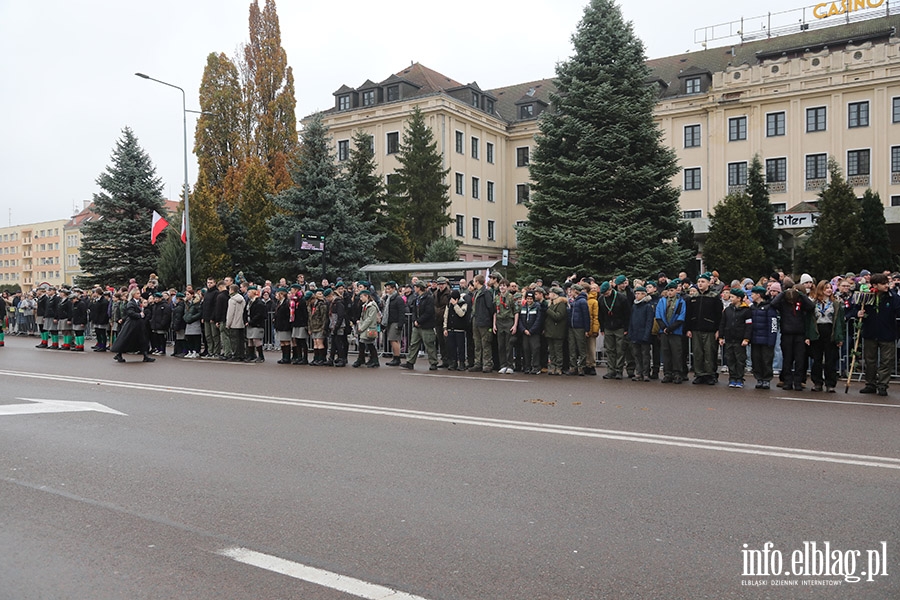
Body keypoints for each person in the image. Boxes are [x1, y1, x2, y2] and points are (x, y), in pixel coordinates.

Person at [855, 273, 900, 396]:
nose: (887, 286)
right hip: (870, 333)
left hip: (887, 333)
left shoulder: (892, 297)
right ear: (875, 285)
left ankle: (882, 385)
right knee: (870, 360)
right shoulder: (867, 296)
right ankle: (870, 384)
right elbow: (855, 307)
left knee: (887, 361)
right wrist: (858, 313)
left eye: (887, 283)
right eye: (883, 284)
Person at [770, 278, 814, 392]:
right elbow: (773, 303)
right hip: (787, 333)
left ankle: (798, 382)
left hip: (799, 334)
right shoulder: (783, 304)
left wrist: (800, 294)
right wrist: (783, 293)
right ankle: (787, 381)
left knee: (799, 360)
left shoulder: (801, 302)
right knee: (787, 359)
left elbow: (811, 306)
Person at [686, 272, 723, 385]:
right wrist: (688, 329)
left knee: (709, 353)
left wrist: (718, 330)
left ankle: (710, 374)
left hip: (710, 329)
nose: (700, 284)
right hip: (696, 329)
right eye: (699, 282)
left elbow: (719, 315)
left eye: (703, 281)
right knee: (697, 353)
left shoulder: (714, 297)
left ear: (708, 283)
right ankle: (699, 374)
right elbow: (688, 314)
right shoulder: (693, 298)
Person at [808, 280, 845, 393]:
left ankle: (830, 383)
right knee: (817, 359)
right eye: (826, 288)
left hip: (830, 331)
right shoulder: (813, 303)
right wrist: (808, 336)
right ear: (820, 290)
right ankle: (817, 382)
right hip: (817, 331)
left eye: (830, 288)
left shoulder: (836, 303)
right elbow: (809, 320)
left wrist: (839, 337)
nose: (829, 290)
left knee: (830, 359)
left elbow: (839, 322)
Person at [718, 288, 752, 388]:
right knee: (730, 359)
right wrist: (721, 336)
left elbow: (749, 326)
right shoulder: (727, 310)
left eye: (733, 297)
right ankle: (732, 378)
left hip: (740, 340)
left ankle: (739, 378)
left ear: (739, 298)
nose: (730, 298)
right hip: (729, 339)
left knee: (740, 360)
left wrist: (746, 338)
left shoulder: (746, 311)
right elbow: (722, 323)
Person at [401, 281, 438, 370]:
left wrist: (419, 320)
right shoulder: (417, 298)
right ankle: (410, 361)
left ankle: (433, 363)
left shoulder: (429, 298)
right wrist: (414, 320)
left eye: (416, 287)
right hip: (417, 326)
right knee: (413, 344)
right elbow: (413, 311)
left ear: (419, 288)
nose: (414, 288)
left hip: (426, 326)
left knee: (429, 344)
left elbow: (429, 312)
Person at [111, 289, 155, 363]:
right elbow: (130, 313)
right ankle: (119, 354)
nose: (139, 294)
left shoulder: (137, 303)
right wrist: (139, 315)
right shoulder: (131, 303)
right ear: (133, 294)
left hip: (138, 324)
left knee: (142, 340)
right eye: (137, 293)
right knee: (127, 339)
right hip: (132, 324)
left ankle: (145, 356)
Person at [655, 281, 686, 384]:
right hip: (664, 331)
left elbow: (681, 317)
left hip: (675, 331)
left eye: (672, 290)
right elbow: (658, 315)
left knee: (676, 353)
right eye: (668, 291)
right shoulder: (662, 301)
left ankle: (677, 373)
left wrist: (670, 328)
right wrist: (663, 327)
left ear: (676, 291)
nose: (669, 293)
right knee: (666, 352)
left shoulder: (681, 302)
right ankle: (667, 373)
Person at [599, 281, 630, 379]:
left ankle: (619, 371)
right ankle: (610, 370)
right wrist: (602, 328)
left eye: (607, 293)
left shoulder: (621, 298)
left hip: (620, 327)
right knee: (609, 350)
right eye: (604, 294)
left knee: (620, 350)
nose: (605, 295)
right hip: (608, 327)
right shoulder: (601, 299)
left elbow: (627, 314)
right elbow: (601, 315)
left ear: (610, 289)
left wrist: (626, 328)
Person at [749, 286, 778, 390]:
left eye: (753, 294)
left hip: (766, 339)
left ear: (758, 295)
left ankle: (766, 379)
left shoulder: (769, 307)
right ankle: (759, 378)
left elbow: (773, 324)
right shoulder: (752, 307)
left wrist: (772, 340)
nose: (751, 296)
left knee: (766, 360)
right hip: (755, 339)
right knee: (756, 360)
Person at [628, 286, 655, 382]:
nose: (636, 295)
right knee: (637, 355)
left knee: (645, 355)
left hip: (644, 334)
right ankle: (638, 373)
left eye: (639, 293)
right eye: (636, 293)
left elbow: (649, 321)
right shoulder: (634, 306)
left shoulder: (648, 306)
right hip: (635, 334)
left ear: (644, 294)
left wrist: (646, 335)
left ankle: (646, 373)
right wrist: (630, 332)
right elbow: (631, 320)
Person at [469, 274, 494, 373]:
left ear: (478, 282)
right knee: (477, 343)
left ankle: (487, 364)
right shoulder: (476, 293)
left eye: (474, 281)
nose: (473, 283)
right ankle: (477, 363)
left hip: (484, 321)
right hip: (476, 320)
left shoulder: (486, 293)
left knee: (485, 343)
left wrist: (488, 319)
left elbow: (490, 307)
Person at [494, 279, 519, 374]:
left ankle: (510, 365)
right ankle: (503, 365)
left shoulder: (512, 298)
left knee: (509, 345)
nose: (502, 287)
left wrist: (515, 325)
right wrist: (494, 324)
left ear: (507, 287)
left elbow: (516, 312)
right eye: (500, 286)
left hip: (508, 321)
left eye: (504, 285)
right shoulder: (497, 298)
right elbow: (495, 312)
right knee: (501, 345)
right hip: (500, 322)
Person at [517, 290, 544, 374]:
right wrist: (523, 330)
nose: (529, 300)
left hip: (534, 333)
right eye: (527, 298)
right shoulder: (523, 307)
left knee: (535, 349)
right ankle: (527, 366)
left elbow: (539, 320)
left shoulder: (537, 307)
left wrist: (531, 330)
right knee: (526, 349)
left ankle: (536, 367)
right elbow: (520, 320)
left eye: (530, 299)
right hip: (525, 332)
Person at [544, 287, 568, 376]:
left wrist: (548, 310)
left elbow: (558, 316)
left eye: (550, 293)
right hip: (550, 331)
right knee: (552, 351)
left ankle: (559, 367)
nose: (549, 294)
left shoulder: (561, 304)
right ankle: (552, 367)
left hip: (558, 331)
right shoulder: (551, 303)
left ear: (555, 294)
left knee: (558, 350)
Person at [443, 288, 468, 371]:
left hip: (459, 329)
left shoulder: (463, 304)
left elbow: (461, 313)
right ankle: (453, 362)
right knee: (451, 347)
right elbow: (446, 316)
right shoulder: (448, 305)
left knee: (460, 347)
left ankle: (462, 363)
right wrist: (445, 328)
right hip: (450, 329)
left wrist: (455, 305)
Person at [355, 288, 381, 368]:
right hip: (366, 328)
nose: (360, 298)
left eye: (362, 297)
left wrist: (362, 327)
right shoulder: (366, 305)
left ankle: (374, 360)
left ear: (366, 296)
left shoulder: (372, 306)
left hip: (369, 328)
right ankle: (367, 359)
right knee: (364, 343)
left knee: (369, 344)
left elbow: (370, 319)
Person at [382, 281, 404, 366]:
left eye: (389, 289)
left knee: (394, 340)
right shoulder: (389, 298)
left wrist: (400, 324)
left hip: (395, 322)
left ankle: (397, 358)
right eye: (386, 289)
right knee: (392, 340)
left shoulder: (398, 299)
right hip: (390, 321)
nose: (387, 290)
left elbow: (401, 312)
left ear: (394, 289)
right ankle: (395, 357)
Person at [245, 286, 267, 363]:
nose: (248, 294)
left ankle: (261, 356)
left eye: (249, 292)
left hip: (257, 324)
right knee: (250, 339)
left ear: (254, 292)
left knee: (256, 339)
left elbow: (259, 314)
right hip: (250, 323)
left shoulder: (259, 302)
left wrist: (251, 321)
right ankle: (251, 355)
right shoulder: (249, 302)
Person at [225, 284, 246, 362]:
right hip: (241, 322)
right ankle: (241, 354)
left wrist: (228, 324)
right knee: (241, 340)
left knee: (234, 340)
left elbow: (230, 313)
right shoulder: (242, 299)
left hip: (234, 323)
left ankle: (236, 355)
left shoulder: (232, 300)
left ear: (232, 290)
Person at [183, 290, 203, 358]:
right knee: (189, 337)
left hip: (195, 322)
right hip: (188, 322)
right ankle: (190, 350)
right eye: (186, 294)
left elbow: (199, 312)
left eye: (188, 294)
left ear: (192, 295)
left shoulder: (196, 303)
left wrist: (192, 318)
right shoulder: (186, 303)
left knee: (195, 337)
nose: (187, 296)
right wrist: (185, 317)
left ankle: (196, 351)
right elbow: (185, 312)